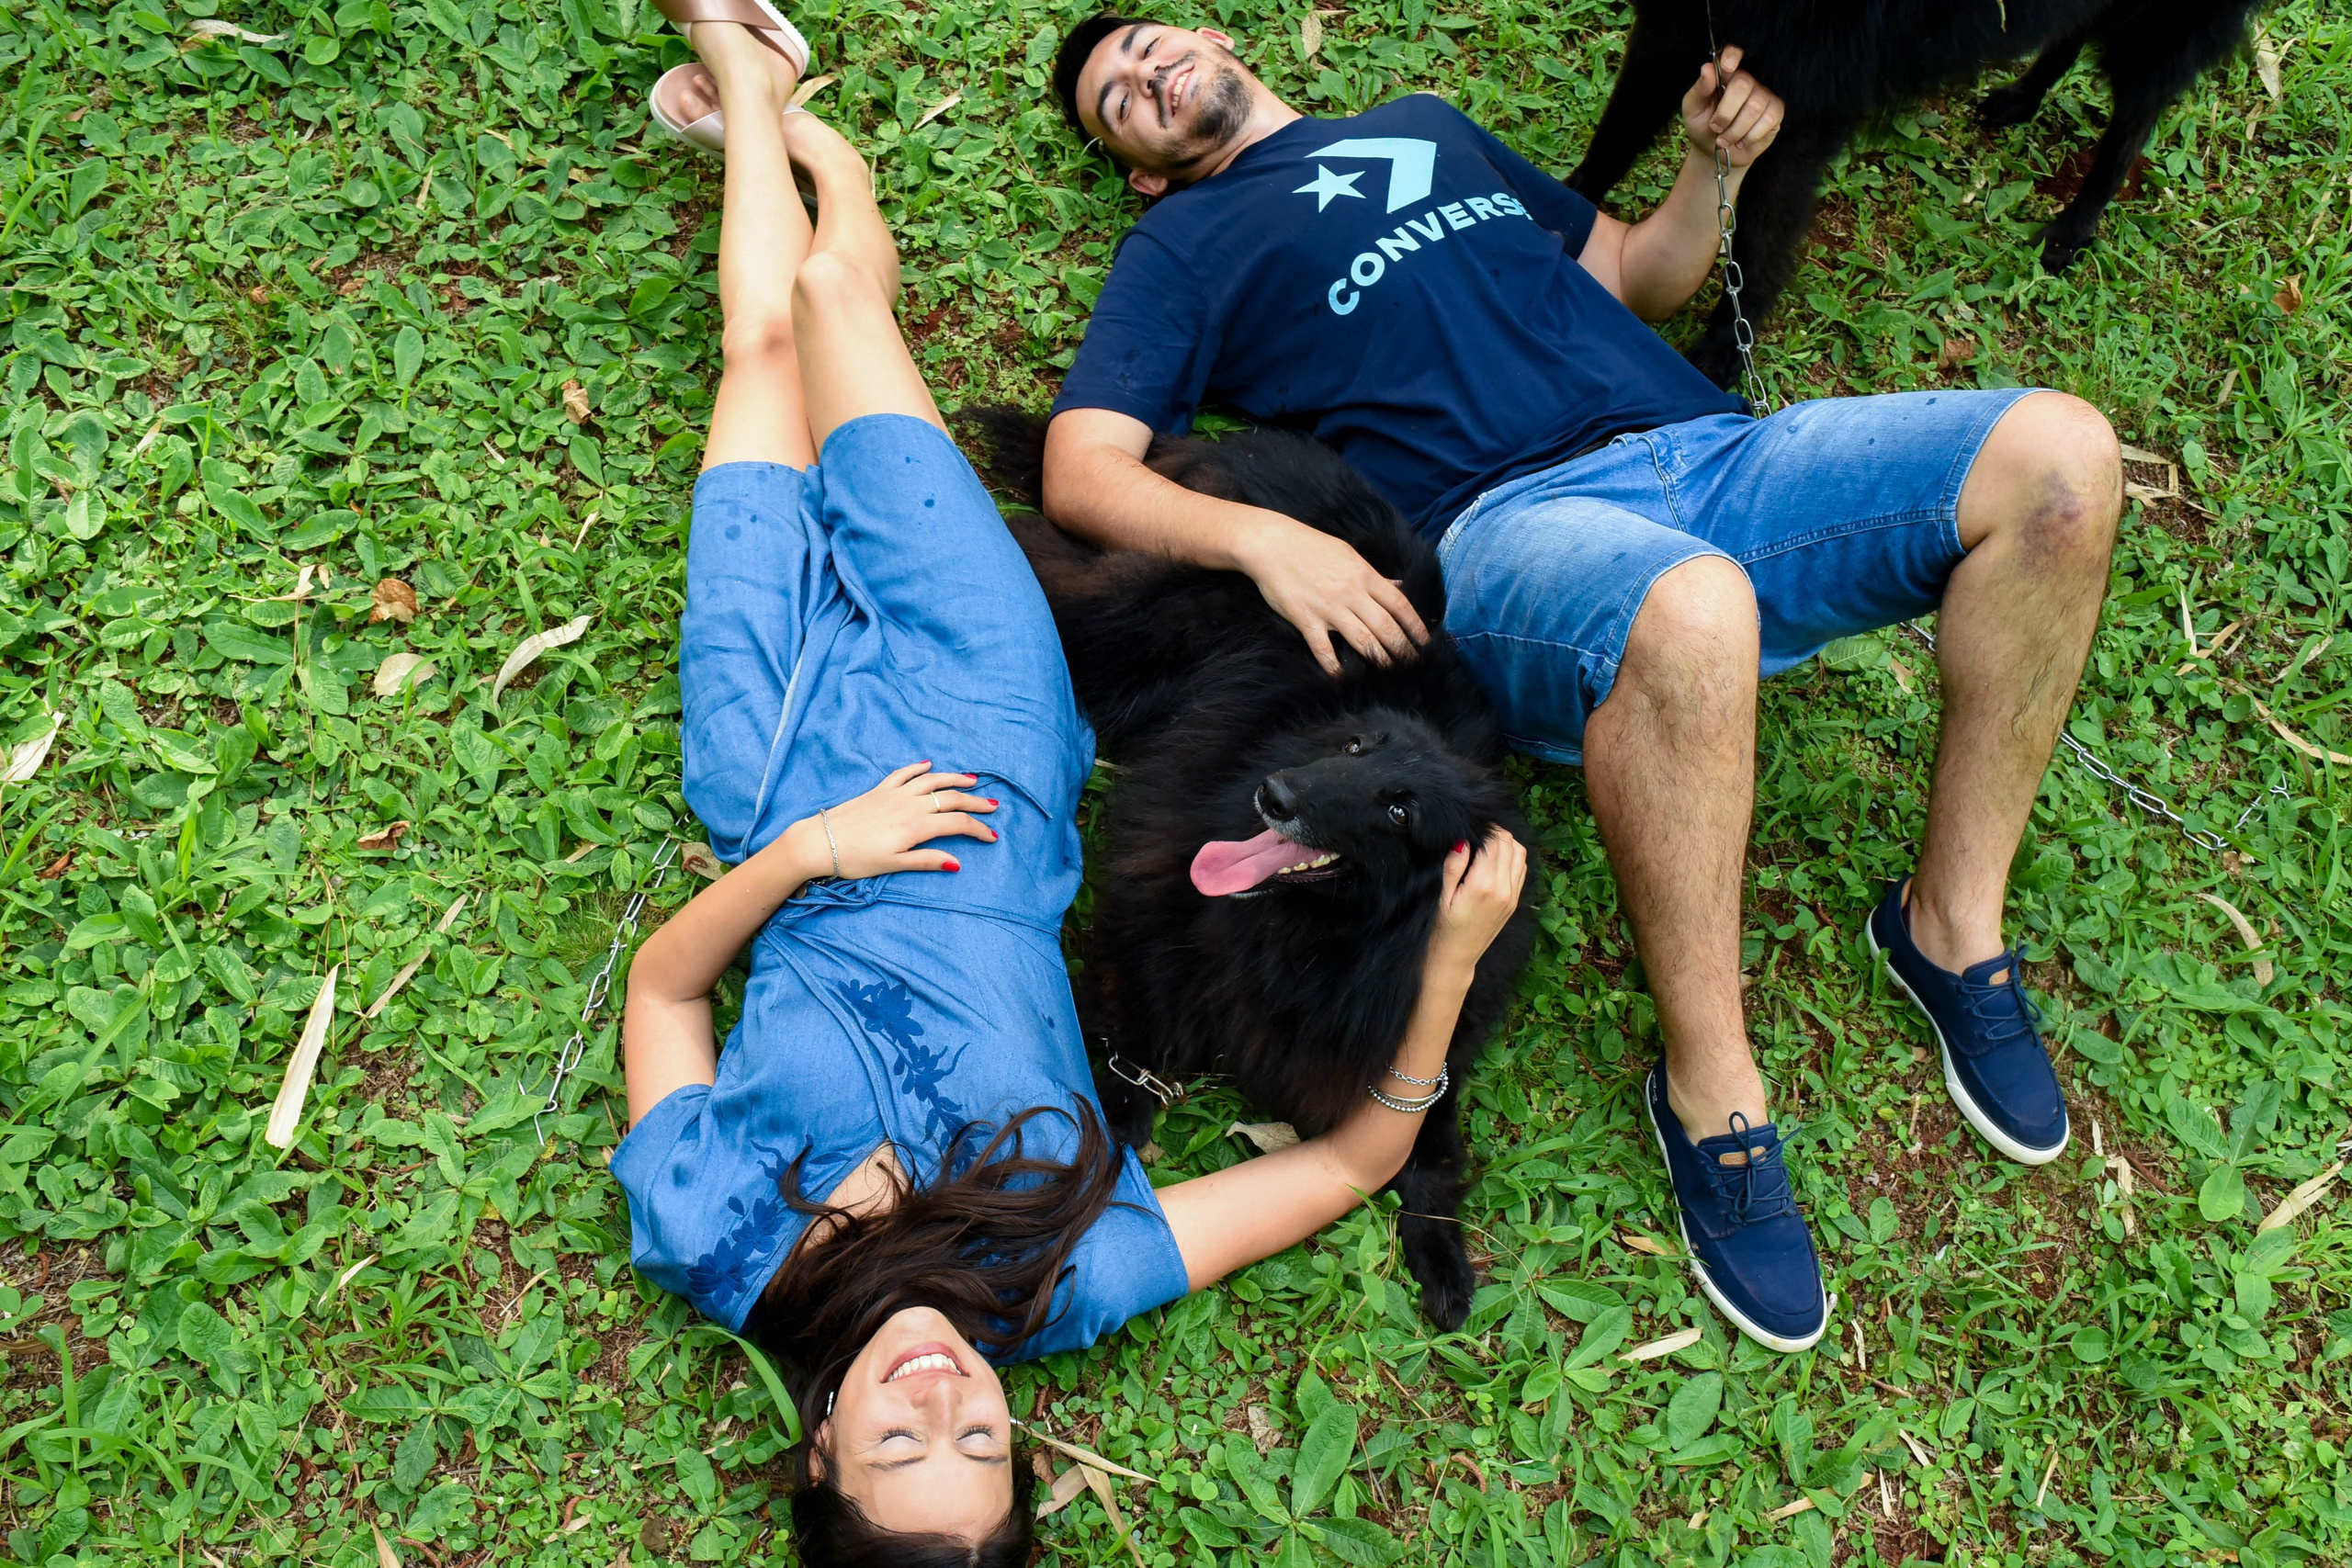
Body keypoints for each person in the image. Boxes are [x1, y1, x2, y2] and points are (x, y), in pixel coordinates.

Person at [1042, 16, 2123, 1354]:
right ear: (1141, 169)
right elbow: (1083, 467)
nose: (1149, 75)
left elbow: (1634, 275)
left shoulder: (1423, 125)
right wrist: (1269, 542)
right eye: (1120, 98)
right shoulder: (1181, 246)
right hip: (1508, 530)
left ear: (1215, 36)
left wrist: (1711, 169)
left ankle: (1950, 925)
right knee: (1693, 606)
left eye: (1150, 45)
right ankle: (1713, 1091)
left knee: (2063, 456)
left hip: (1715, 457)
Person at [611, 10, 1531, 1562]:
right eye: (979, 1439)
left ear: (819, 1456)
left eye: (900, 1442)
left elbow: (663, 996)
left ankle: (746, 74)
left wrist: (810, 851)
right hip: (983, 729)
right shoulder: (1068, 1279)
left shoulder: (717, 1245)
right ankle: (794, 122)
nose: (940, 1396)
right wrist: (1445, 961)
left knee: (764, 349)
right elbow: (1357, 1160)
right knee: (830, 299)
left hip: (765, 765)